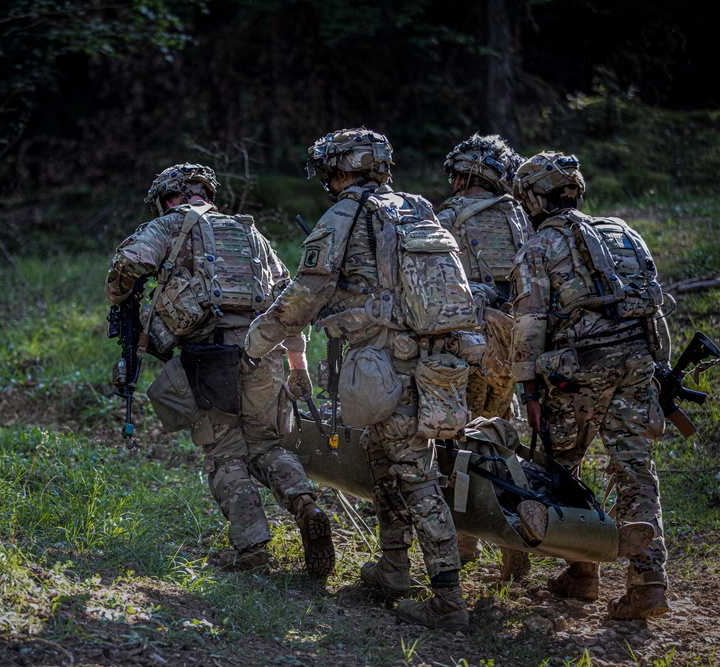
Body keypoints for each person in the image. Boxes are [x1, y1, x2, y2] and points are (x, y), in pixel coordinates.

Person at [245, 128, 471, 630]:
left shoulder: (343, 216)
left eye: (328, 171)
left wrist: (254, 345)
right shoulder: (416, 207)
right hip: (436, 360)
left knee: (414, 473)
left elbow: (303, 297)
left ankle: (448, 601)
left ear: (339, 170)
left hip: (382, 364)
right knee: (383, 461)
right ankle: (393, 569)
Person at [105, 163, 335, 579]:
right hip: (265, 353)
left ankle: (253, 549)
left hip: (210, 358)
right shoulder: (251, 233)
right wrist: (297, 364)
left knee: (226, 453)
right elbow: (288, 300)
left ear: (171, 197)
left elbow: (129, 261)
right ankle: (307, 506)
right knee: (267, 445)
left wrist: (120, 295)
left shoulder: (172, 225)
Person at [509, 151, 672, 619]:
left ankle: (582, 572)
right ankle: (648, 583)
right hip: (637, 362)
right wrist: (653, 368)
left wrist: (530, 391)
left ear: (533, 199)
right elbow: (652, 306)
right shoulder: (624, 230)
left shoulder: (538, 246)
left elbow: (531, 325)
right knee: (635, 469)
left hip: (579, 370)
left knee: (560, 468)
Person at [436, 133, 533, 579]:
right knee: (503, 440)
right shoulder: (525, 217)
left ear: (463, 176)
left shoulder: (448, 218)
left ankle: (464, 541)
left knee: (457, 443)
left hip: (469, 346)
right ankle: (517, 541)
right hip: (517, 348)